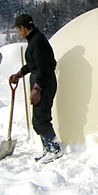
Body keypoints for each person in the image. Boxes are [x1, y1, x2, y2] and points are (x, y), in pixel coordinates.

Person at [9, 14, 62, 163]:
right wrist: (20, 74)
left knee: (42, 118)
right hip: (41, 81)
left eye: (18, 30)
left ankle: (55, 150)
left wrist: (37, 88)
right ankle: (47, 149)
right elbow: (33, 64)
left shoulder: (37, 41)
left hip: (44, 82)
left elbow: (43, 67)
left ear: (23, 28)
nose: (18, 33)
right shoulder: (34, 40)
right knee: (37, 119)